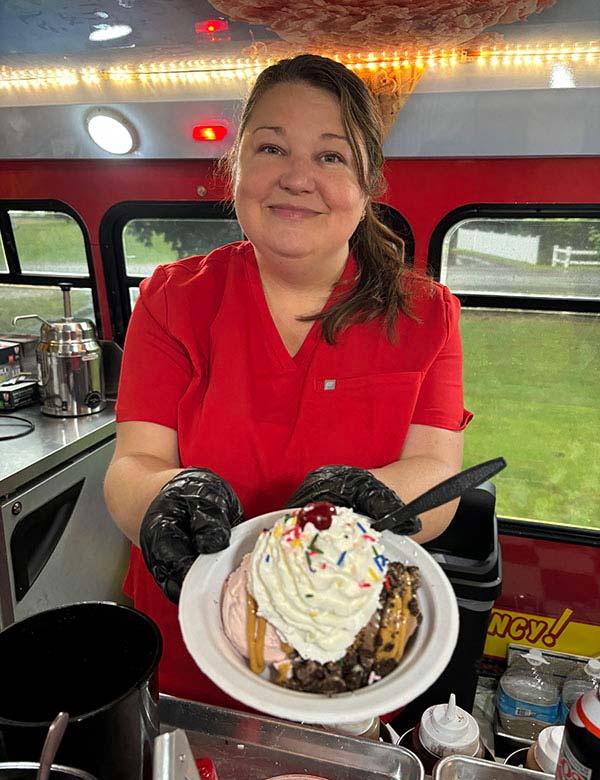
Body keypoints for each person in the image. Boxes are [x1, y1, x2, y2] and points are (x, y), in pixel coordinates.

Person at [104, 53, 472, 709]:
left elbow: (437, 477)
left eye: (331, 156)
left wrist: (373, 495)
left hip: (346, 648)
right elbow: (134, 462)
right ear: (235, 169)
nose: (298, 178)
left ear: (368, 184)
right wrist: (165, 497)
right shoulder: (172, 298)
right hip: (190, 635)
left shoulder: (428, 314)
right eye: (272, 148)